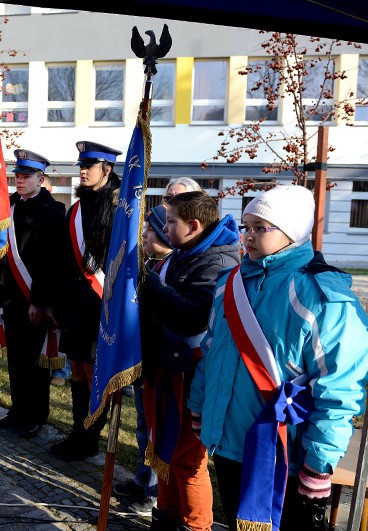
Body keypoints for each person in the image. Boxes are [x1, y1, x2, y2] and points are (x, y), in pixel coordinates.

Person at [188, 185, 368, 530]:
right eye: (246, 226)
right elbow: (212, 351)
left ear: (291, 233)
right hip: (228, 442)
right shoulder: (230, 283)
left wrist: (319, 462)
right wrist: (199, 407)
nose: (248, 236)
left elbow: (340, 389)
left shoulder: (322, 297)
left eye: (260, 228)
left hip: (287, 454)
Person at [139, 191, 240, 531]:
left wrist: (149, 282)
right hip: (167, 365)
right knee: (162, 450)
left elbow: (191, 318)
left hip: (191, 374)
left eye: (170, 222)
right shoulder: (185, 253)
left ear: (194, 225)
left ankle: (195, 525)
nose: (164, 228)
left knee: (186, 459)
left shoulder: (216, 262)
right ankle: (166, 516)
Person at [50, 141, 122, 460]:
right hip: (76, 304)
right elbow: (65, 258)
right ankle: (78, 430)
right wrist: (58, 302)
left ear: (106, 169)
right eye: (81, 164)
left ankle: (91, 435)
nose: (82, 170)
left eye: (89, 166)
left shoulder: (122, 206)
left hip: (102, 303)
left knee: (95, 371)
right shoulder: (76, 209)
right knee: (77, 368)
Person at [0, 149, 66, 438]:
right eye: (17, 176)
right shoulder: (10, 205)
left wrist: (40, 301)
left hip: (35, 298)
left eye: (26, 176)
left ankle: (36, 415)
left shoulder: (53, 210)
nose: (20, 181)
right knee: (16, 357)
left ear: (41, 178)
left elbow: (51, 262)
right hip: (12, 297)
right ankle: (17, 409)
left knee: (35, 361)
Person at [114, 205, 171, 515]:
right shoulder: (150, 263)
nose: (145, 235)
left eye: (150, 231)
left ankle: (152, 492)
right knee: (142, 425)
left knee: (155, 430)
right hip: (142, 359)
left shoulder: (169, 268)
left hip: (159, 361)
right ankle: (142, 478)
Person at [41, 174, 71, 387]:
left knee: (59, 329)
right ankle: (49, 366)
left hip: (59, 281)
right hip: (37, 281)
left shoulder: (58, 212)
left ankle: (61, 369)